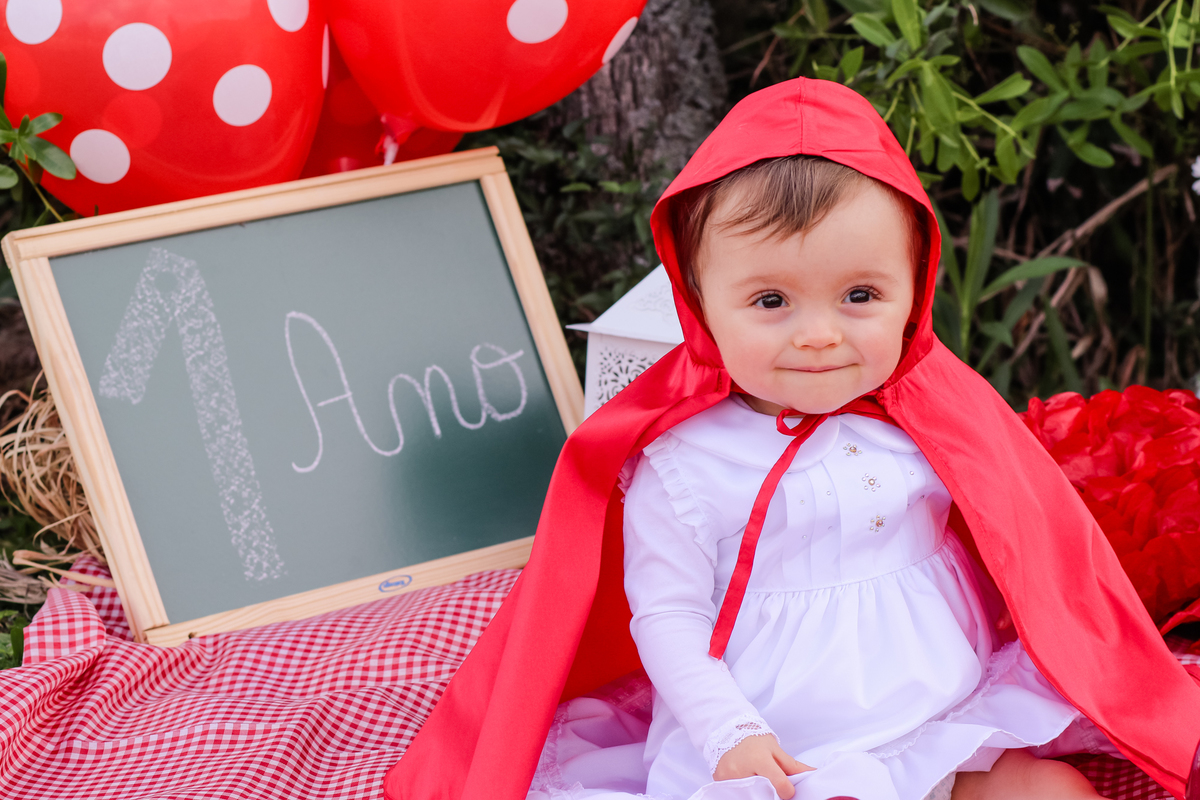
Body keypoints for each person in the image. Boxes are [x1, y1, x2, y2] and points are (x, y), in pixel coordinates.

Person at [385, 78, 1200, 800]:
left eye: (860, 295)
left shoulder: (930, 417)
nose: (818, 335)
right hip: (782, 748)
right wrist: (728, 733)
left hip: (940, 714)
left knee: (1049, 790)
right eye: (771, 301)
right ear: (700, 303)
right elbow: (666, 614)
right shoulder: (683, 463)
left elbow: (1025, 541)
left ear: (914, 288)